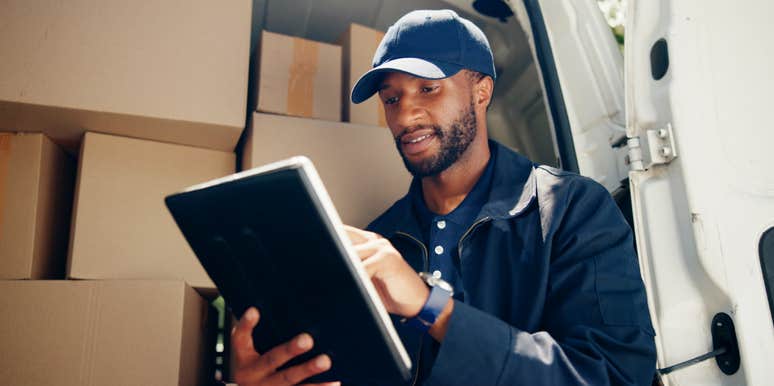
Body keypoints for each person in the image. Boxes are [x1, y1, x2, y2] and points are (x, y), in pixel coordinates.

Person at [230, 9, 656, 386]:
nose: (405, 115)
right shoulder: (378, 243)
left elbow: (614, 376)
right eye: (391, 98)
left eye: (428, 89)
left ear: (481, 91)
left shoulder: (571, 209)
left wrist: (430, 307)